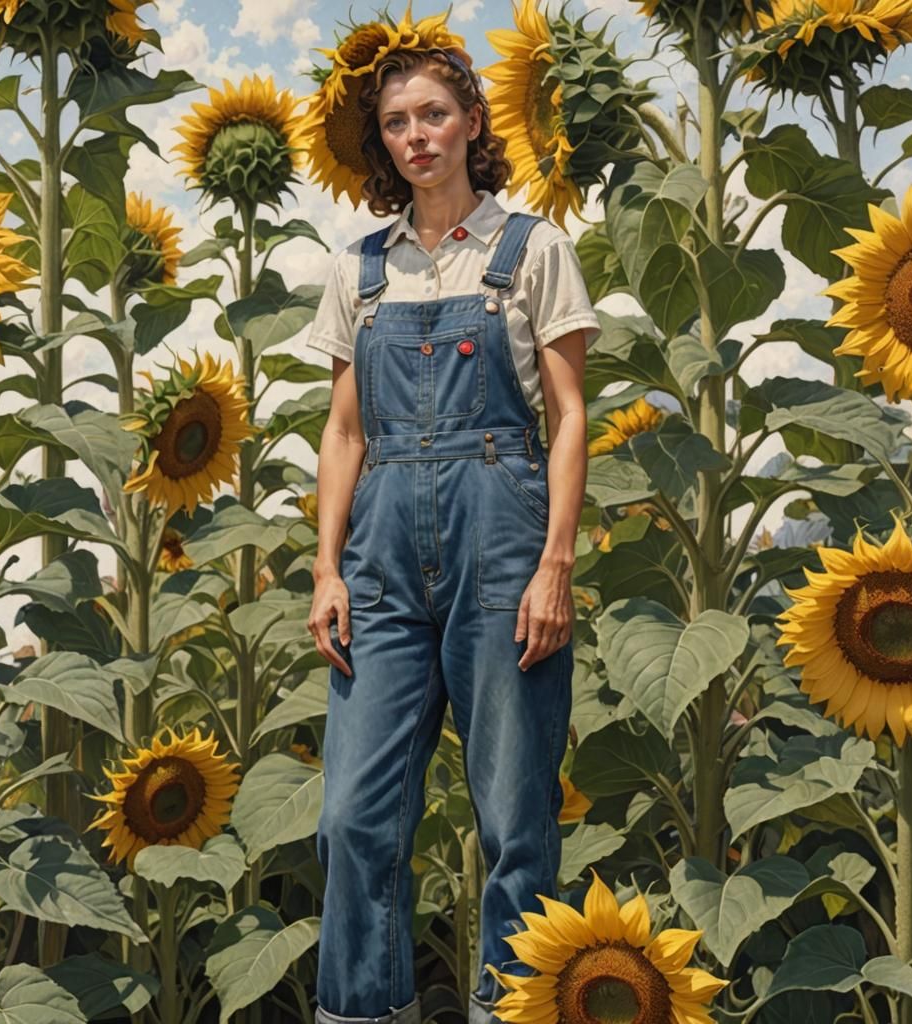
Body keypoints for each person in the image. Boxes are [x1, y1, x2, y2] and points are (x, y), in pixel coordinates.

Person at [305, 39, 599, 1024]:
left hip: (502, 545)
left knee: (515, 821)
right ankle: (361, 1010)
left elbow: (567, 418)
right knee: (353, 818)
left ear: (472, 120)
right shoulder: (361, 268)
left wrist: (553, 565)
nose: (415, 137)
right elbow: (344, 430)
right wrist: (325, 570)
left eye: (432, 114)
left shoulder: (531, 250)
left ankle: (508, 1012)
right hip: (380, 559)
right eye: (395, 123)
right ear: (381, 144)